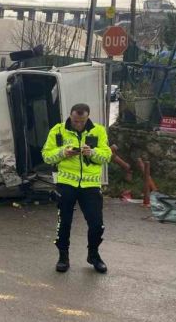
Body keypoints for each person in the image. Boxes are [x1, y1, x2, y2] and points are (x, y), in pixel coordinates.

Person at [42, 103, 112, 274]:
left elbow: (107, 156)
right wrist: (62, 153)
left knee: (97, 224)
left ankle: (93, 255)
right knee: (64, 222)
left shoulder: (98, 131)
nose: (78, 124)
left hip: (90, 185)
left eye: (81, 121)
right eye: (75, 121)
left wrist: (92, 153)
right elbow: (46, 156)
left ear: (87, 117)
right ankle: (63, 256)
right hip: (66, 183)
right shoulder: (58, 130)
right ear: (70, 116)